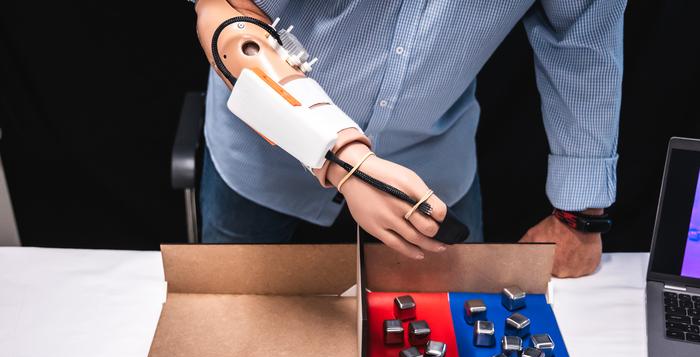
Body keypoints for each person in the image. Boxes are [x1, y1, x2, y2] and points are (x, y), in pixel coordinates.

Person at [194, 0, 625, 278]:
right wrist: (342, 154)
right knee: (233, 339)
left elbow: (584, 41)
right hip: (262, 159)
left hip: (432, 162)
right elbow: (225, 17)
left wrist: (579, 217)